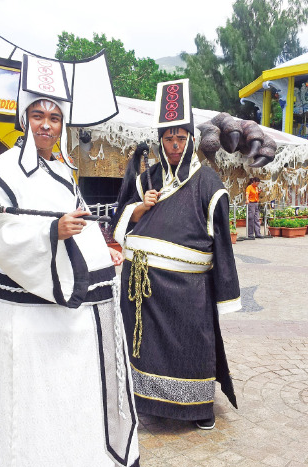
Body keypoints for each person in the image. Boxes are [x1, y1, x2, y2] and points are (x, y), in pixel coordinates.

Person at [0, 54, 139, 467]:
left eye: (54, 116)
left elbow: (77, 219)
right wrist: (50, 235)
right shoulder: (2, 173)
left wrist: (99, 247)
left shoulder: (62, 171)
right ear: (24, 118)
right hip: (25, 324)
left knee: (65, 404)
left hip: (65, 321)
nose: (47, 125)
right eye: (38, 115)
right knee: (28, 408)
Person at [112, 79, 241, 430]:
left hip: (187, 289)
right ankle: (146, 401)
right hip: (142, 284)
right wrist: (138, 209)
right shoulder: (147, 179)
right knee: (145, 346)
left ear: (192, 140)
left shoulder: (209, 183)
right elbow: (118, 220)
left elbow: (222, 241)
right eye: (168, 138)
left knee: (192, 347)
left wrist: (225, 292)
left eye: (181, 138)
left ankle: (198, 408)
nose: (174, 145)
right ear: (160, 140)